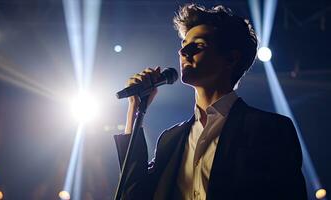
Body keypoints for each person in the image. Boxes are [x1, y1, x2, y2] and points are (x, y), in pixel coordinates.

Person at [114, 4, 307, 200]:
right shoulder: (171, 138)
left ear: (231, 58)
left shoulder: (269, 129)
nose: (183, 52)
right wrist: (135, 108)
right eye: (183, 45)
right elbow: (133, 195)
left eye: (197, 45)